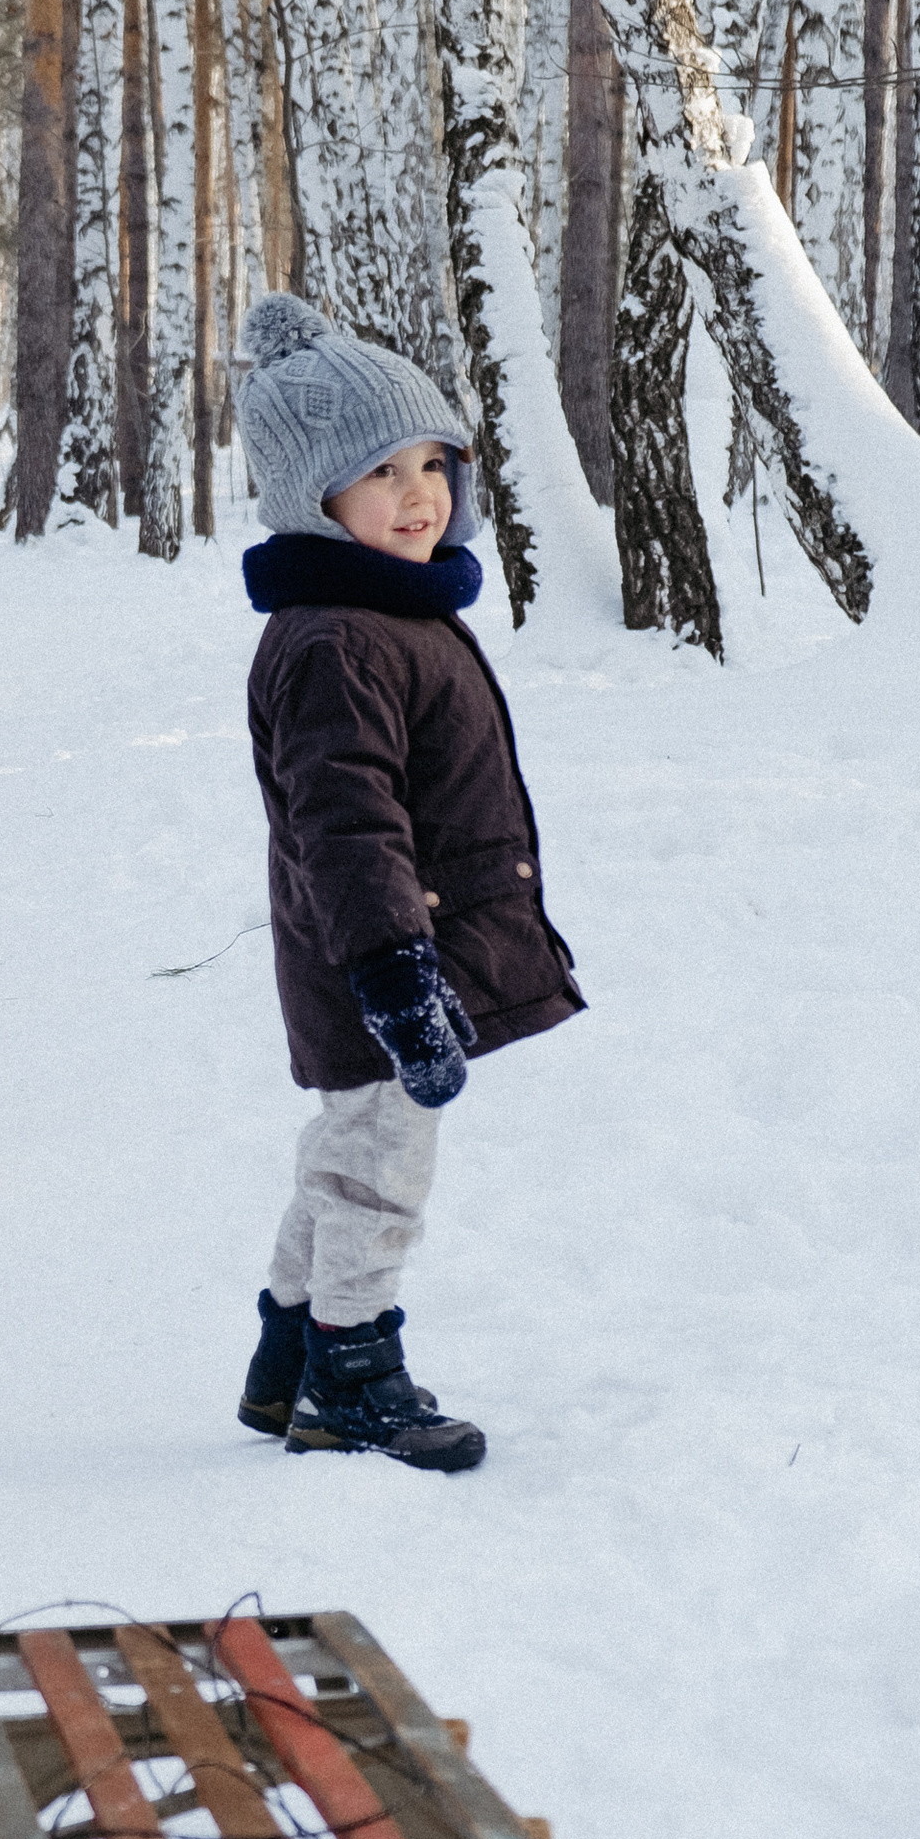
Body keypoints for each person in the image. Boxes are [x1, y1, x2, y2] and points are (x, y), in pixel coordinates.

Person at [229, 293, 582, 1473]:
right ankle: (352, 1380)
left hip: (385, 955)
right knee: (380, 1172)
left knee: (341, 1154)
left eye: (434, 462)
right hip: (383, 961)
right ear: (309, 496)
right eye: (381, 471)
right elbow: (348, 827)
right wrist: (394, 979)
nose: (420, 493)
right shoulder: (341, 639)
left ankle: (284, 1361)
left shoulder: (380, 617)